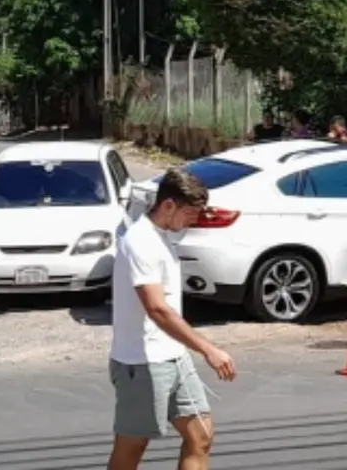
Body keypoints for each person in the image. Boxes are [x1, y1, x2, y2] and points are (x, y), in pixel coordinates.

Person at [107, 167, 238, 470]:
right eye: (191, 213)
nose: (194, 220)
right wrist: (208, 349)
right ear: (168, 205)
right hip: (141, 363)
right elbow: (157, 309)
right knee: (132, 447)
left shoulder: (162, 236)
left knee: (201, 435)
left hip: (173, 357)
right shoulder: (141, 242)